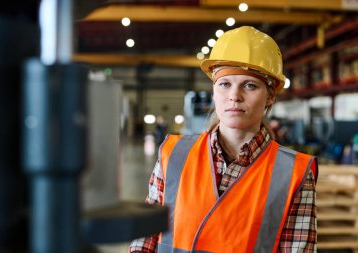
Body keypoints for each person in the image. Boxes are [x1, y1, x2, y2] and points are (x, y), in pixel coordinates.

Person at [129, 26, 318, 253]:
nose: (234, 96)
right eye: (225, 84)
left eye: (250, 85)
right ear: (214, 91)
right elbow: (144, 239)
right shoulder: (174, 153)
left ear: (270, 96)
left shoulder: (293, 172)